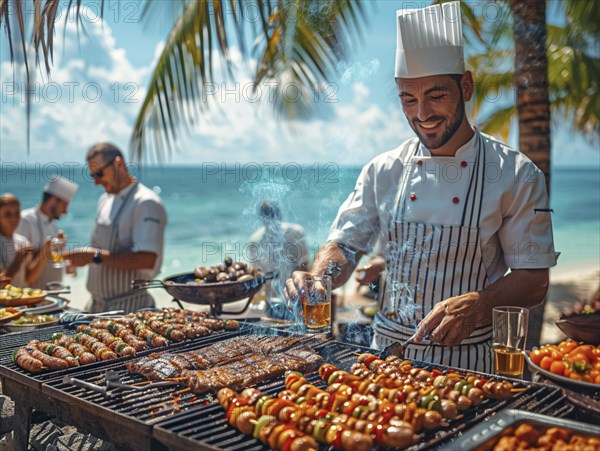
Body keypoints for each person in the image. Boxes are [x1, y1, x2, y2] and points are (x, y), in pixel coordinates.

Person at [285, 1, 557, 373]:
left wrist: (479, 304)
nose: (422, 114)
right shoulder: (384, 169)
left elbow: (533, 279)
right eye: (408, 99)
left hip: (469, 366)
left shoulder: (515, 174)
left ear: (466, 86)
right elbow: (345, 247)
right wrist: (319, 278)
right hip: (384, 361)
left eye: (436, 95)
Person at [64, 143, 167, 313]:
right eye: (92, 176)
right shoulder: (105, 200)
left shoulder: (146, 202)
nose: (96, 182)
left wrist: (94, 257)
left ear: (118, 163)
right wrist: (80, 260)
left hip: (130, 309)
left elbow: (147, 260)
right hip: (96, 307)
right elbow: (103, 249)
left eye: (99, 174)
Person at [16, 177, 79, 289]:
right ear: (54, 200)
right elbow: (20, 269)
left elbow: (54, 262)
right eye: (64, 205)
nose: (65, 211)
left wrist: (68, 265)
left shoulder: (55, 228)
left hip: (53, 298)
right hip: (32, 299)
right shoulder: (25, 220)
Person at [249, 200, 309, 303]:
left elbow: (304, 263)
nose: (271, 218)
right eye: (267, 214)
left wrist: (300, 288)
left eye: (272, 214)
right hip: (270, 295)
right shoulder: (255, 240)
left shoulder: (296, 233)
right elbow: (257, 272)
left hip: (295, 290)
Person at [0, 194, 50, 288]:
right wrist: (17, 260)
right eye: (8, 214)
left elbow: (29, 279)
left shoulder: (22, 240)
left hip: (21, 300)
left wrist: (44, 251)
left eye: (17, 213)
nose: (14, 218)